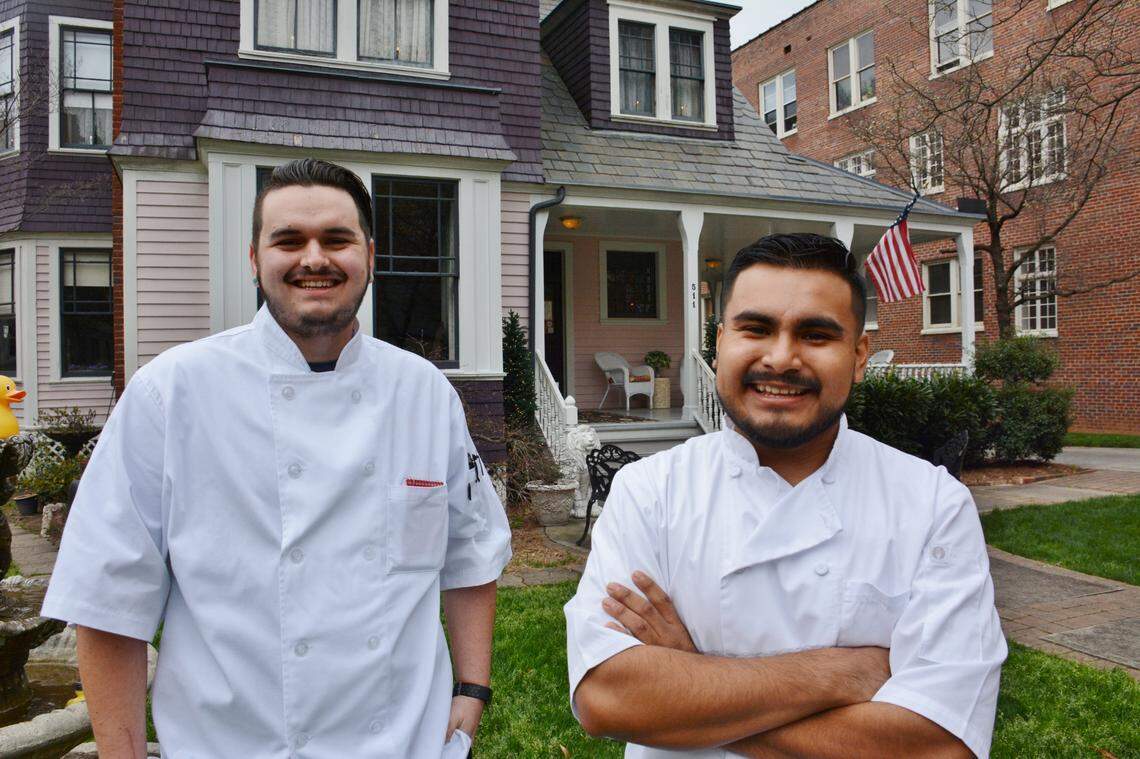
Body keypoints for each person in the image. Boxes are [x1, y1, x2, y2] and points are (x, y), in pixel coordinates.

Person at [42, 158, 511, 758]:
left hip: (408, 743)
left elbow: (470, 550)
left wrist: (471, 690)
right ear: (254, 258)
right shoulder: (171, 394)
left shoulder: (425, 394)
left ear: (368, 255)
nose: (313, 258)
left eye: (336, 240)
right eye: (288, 240)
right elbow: (109, 601)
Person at [565, 233, 1006, 758]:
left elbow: (938, 745)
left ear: (859, 354)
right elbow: (608, 698)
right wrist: (842, 674)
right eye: (756, 328)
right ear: (721, 339)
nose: (780, 358)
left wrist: (694, 680)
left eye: (816, 335)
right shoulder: (650, 492)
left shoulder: (932, 504)